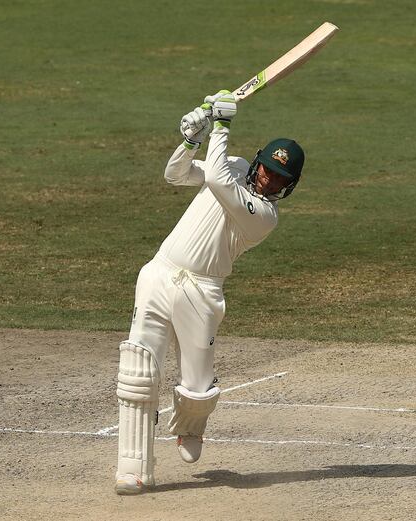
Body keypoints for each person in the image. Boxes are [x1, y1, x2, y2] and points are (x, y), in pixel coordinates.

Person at [114, 90, 305, 495]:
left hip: (202, 292)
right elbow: (176, 175)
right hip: (160, 271)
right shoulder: (233, 165)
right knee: (139, 370)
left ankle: (189, 426)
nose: (270, 178)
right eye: (269, 168)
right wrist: (191, 139)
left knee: (198, 385)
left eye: (280, 177)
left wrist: (220, 124)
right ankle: (133, 470)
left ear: (289, 185)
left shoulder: (265, 217)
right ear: (257, 161)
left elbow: (217, 179)